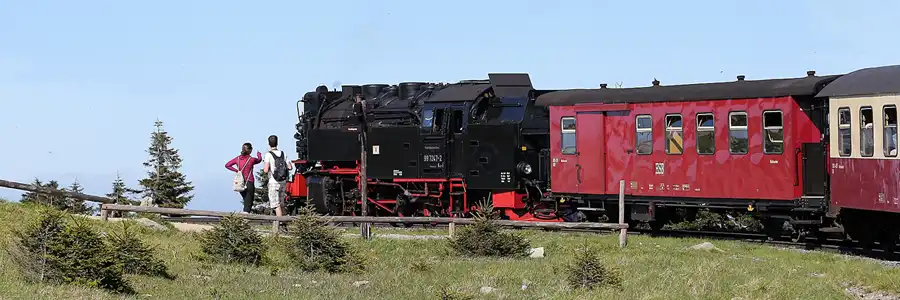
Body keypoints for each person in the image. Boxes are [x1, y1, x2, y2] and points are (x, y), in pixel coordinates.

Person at [225, 142, 263, 213]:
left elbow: (227, 165)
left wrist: (237, 170)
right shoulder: (252, 159)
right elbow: (259, 160)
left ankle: (244, 217)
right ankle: (245, 219)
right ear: (250, 150)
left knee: (246, 200)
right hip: (249, 182)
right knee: (249, 202)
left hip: (240, 183)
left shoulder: (237, 159)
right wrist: (259, 155)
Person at [263, 135, 292, 222]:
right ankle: (285, 222)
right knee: (282, 204)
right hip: (283, 181)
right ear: (277, 142)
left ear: (269, 143)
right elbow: (290, 167)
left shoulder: (268, 154)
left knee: (276, 205)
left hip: (273, 182)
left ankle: (281, 224)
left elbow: (265, 170)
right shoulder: (283, 153)